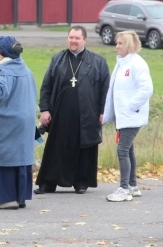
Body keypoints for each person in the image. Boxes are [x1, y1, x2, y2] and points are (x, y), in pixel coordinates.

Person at [35, 25, 110, 194]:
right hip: (60, 113)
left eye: (77, 38)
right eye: (71, 37)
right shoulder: (58, 59)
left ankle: (81, 182)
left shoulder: (98, 62)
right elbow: (46, 86)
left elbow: (106, 89)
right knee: (56, 148)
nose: (73, 41)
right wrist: (45, 109)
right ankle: (49, 183)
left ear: (84, 40)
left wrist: (103, 111)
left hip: (87, 113)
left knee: (84, 147)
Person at [0, 36, 37, 210]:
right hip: (24, 121)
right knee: (20, 158)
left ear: (2, 52)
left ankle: (7, 197)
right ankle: (20, 197)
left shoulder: (5, 70)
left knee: (6, 156)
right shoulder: (25, 69)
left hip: (8, 123)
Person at [103, 30, 153, 202]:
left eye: (120, 43)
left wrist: (131, 106)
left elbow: (146, 89)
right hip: (123, 116)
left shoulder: (137, 64)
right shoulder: (122, 63)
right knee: (129, 149)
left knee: (122, 149)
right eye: (117, 42)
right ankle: (132, 186)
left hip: (132, 115)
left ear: (129, 45)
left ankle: (124, 188)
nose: (117, 46)